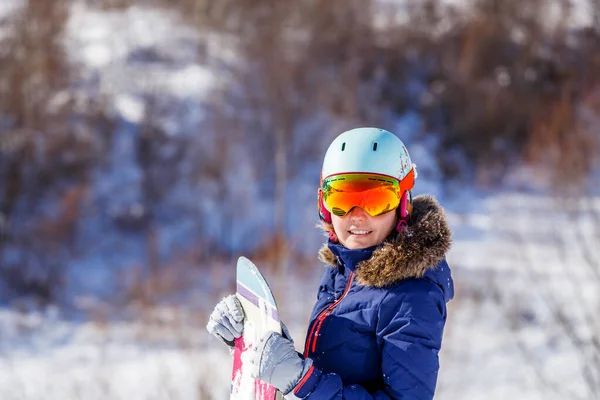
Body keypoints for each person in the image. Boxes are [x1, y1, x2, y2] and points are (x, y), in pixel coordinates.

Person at [207, 127, 454, 399]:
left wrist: (301, 380)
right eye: (342, 200)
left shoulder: (412, 296)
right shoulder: (344, 273)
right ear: (324, 205)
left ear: (402, 205)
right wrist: (260, 341)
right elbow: (335, 370)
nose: (357, 217)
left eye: (375, 200)